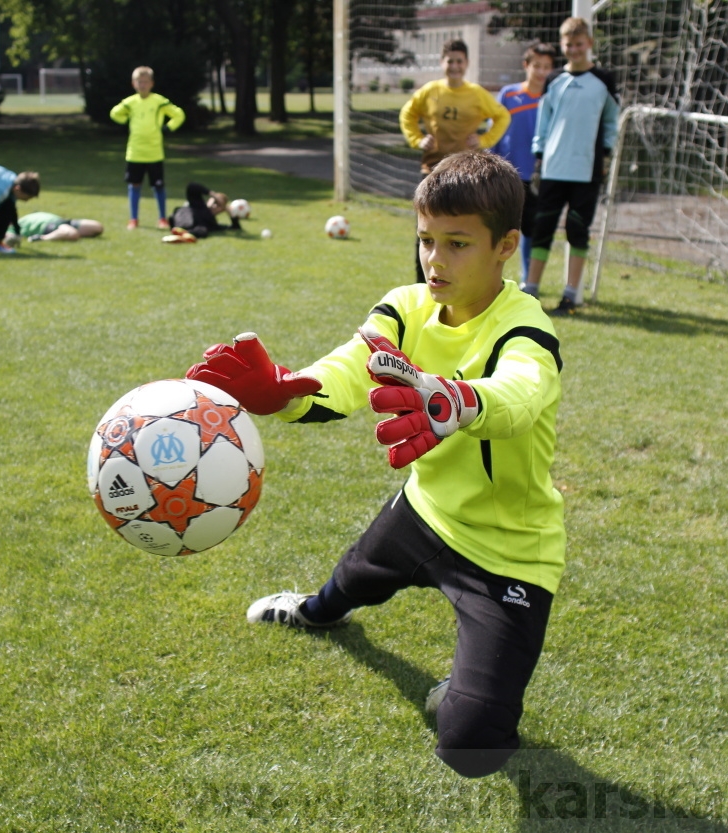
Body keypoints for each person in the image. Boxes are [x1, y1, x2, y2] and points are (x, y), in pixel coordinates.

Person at [185, 152, 564, 779]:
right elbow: (351, 367)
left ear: (506, 245)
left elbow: (522, 392)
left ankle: (467, 694)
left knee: (473, 747)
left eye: (457, 244)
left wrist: (459, 400)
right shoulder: (405, 306)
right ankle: (315, 611)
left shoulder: (524, 326)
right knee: (351, 579)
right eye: (426, 240)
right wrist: (290, 390)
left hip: (509, 553)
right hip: (424, 511)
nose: (435, 260)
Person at [522, 17, 619, 314]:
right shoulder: (553, 80)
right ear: (562, 45)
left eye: (579, 44)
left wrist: (605, 155)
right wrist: (539, 156)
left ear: (589, 43)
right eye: (568, 44)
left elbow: (611, 122)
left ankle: (571, 295)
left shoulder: (603, 81)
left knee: (577, 231)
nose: (574, 49)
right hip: (553, 168)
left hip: (586, 170)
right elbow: (544, 122)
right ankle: (531, 291)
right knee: (542, 228)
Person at [399, 39, 511, 283]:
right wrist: (417, 139)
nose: (455, 66)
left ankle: (461, 281)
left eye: (459, 61)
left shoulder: (476, 94)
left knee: (461, 231)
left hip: (465, 174)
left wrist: (484, 140)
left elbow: (502, 116)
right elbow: (407, 113)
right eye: (450, 61)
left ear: (467, 63)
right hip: (432, 170)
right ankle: (424, 285)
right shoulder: (430, 91)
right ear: (442, 62)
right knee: (426, 231)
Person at [493, 43, 558, 287]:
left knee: (532, 227)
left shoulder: (553, 98)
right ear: (526, 66)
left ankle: (528, 279)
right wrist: (491, 162)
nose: (541, 72)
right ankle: (491, 276)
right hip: (508, 172)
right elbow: (495, 130)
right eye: (536, 66)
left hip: (540, 175)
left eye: (547, 67)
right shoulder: (508, 95)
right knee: (501, 226)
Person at [110, 66, 186, 231]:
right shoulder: (130, 102)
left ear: (152, 83)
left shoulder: (159, 101)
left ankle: (162, 219)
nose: (142, 85)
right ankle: (133, 219)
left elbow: (179, 114)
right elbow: (115, 113)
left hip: (154, 153)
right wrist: (125, 120)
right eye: (139, 82)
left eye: (145, 82)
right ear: (133, 84)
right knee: (134, 186)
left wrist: (168, 128)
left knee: (158, 187)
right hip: (135, 153)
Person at [161, 182, 242, 243]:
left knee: (202, 230)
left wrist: (228, 210)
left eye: (218, 205)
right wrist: (213, 195)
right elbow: (192, 186)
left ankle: (183, 235)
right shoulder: (199, 205)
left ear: (222, 210)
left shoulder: (213, 224)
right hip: (181, 219)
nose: (214, 206)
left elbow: (235, 227)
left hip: (188, 228)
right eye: (214, 202)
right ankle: (183, 233)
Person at [6, 212, 104, 243]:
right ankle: (41, 238)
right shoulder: (11, 228)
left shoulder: (25, 217)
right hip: (48, 227)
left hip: (61, 221)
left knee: (97, 227)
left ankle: (62, 233)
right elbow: (9, 237)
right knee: (72, 234)